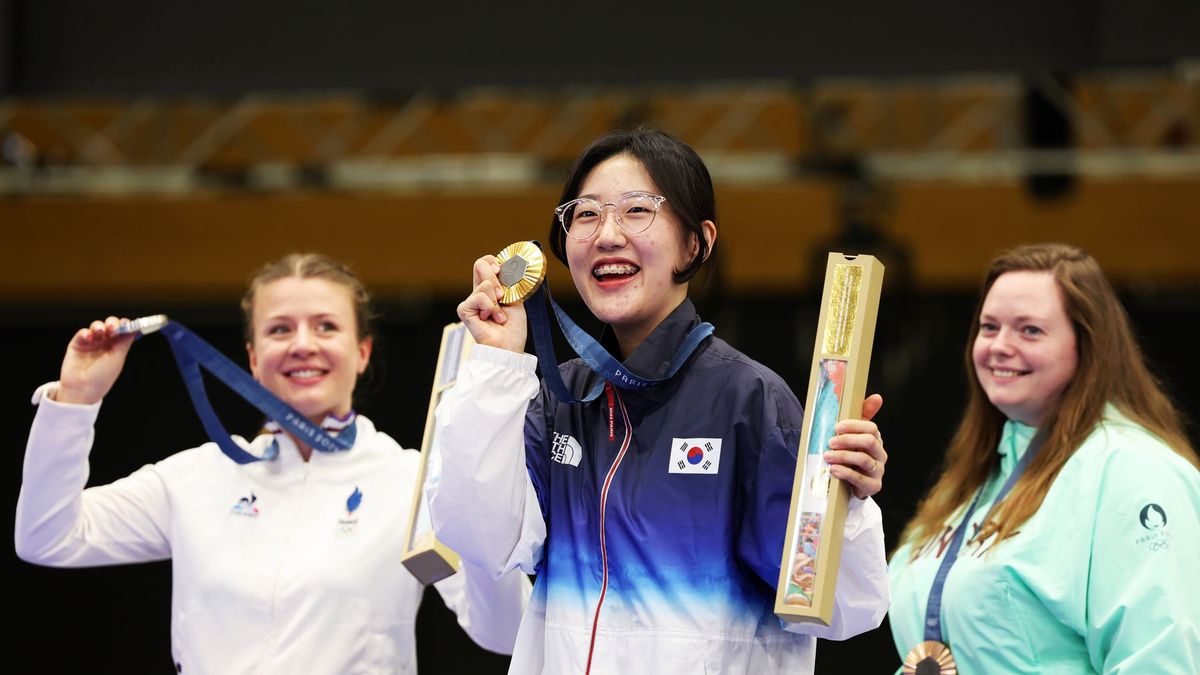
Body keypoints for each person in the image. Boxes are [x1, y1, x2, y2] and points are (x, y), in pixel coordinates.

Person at [428, 128, 890, 674]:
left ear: (696, 243)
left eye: (637, 210)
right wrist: (500, 363)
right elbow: (481, 538)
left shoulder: (749, 401)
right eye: (586, 214)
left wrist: (845, 503)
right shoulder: (556, 399)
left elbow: (840, 608)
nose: (607, 234)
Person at [15, 253, 531, 674]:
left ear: (362, 351)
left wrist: (474, 499)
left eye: (326, 326)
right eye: (280, 329)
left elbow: (505, 632)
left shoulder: (413, 480)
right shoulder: (198, 476)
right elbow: (47, 536)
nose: (303, 344)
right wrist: (76, 400)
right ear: (253, 357)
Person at [888, 243, 1200, 673]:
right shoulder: (975, 480)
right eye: (989, 326)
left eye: (1029, 330)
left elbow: (1160, 658)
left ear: (1086, 346)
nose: (1000, 346)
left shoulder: (1134, 470)